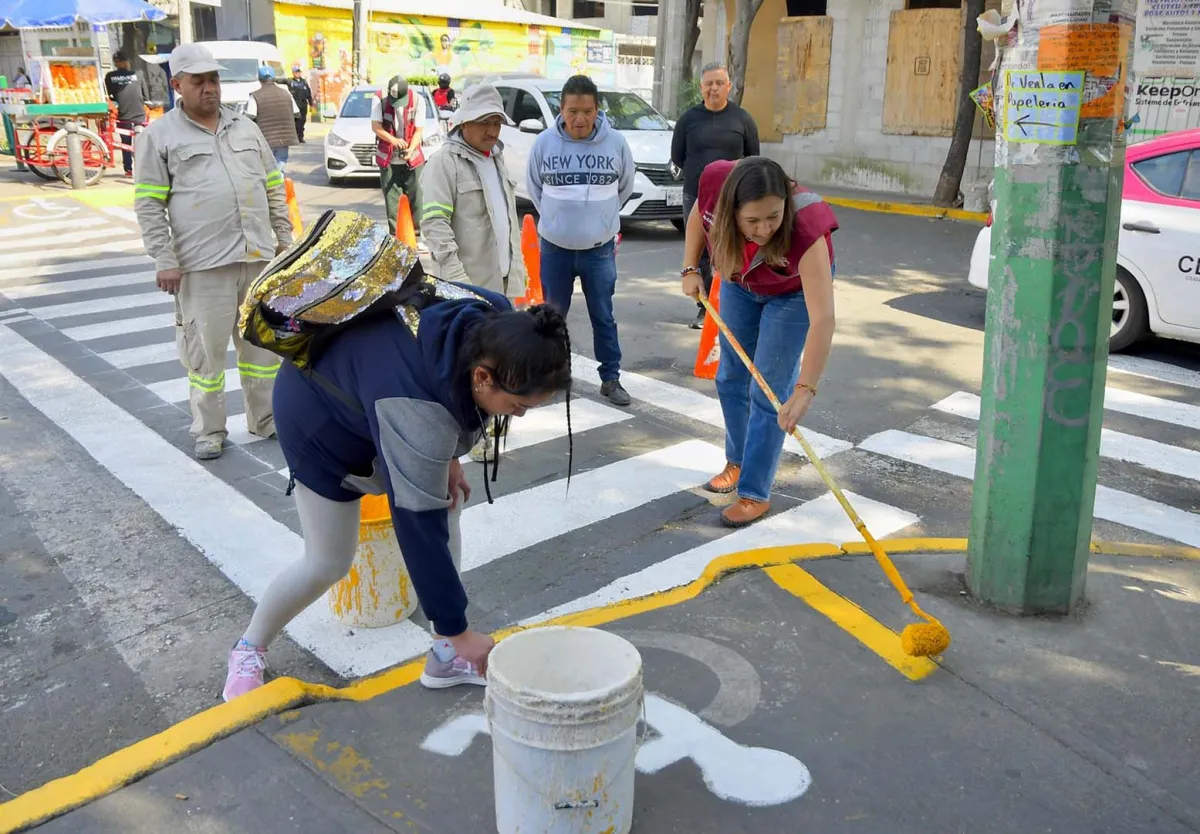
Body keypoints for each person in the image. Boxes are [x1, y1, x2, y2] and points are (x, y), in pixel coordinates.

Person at [221, 272, 574, 702]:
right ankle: (248, 648)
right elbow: (417, 526)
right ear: (483, 376)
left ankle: (444, 655)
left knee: (447, 502)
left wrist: (446, 457)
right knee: (329, 561)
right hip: (319, 418)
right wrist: (460, 630)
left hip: (377, 390)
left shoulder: (496, 318)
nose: (517, 417)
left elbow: (439, 382)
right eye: (517, 405)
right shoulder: (416, 412)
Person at [134, 43, 294, 461]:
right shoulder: (158, 136)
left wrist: (285, 240)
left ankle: (265, 419)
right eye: (199, 80)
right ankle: (209, 430)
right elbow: (149, 203)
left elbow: (273, 186)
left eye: (214, 79)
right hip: (202, 265)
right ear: (177, 85)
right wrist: (164, 258)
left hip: (257, 258)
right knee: (204, 356)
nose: (210, 88)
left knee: (261, 351)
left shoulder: (245, 127)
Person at [681, 157, 837, 527]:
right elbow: (697, 220)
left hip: (791, 293)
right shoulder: (716, 182)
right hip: (741, 281)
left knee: (769, 390)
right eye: (752, 221)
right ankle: (738, 461)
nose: (765, 228)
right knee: (731, 377)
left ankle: (754, 492)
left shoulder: (806, 226)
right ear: (731, 209)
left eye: (773, 216)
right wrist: (690, 268)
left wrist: (805, 390)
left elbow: (824, 320)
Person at [420, 83, 527, 463]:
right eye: (484, 122)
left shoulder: (495, 159)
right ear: (463, 122)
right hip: (466, 286)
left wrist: (519, 274)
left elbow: (507, 223)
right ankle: (473, 433)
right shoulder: (444, 162)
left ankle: (493, 422)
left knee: (497, 359)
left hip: (500, 284)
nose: (492, 131)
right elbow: (434, 224)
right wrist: (456, 280)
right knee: (472, 365)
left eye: (497, 122)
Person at [527, 74, 635, 408]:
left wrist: (599, 222)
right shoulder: (544, 143)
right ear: (561, 109)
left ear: (597, 109)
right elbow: (535, 190)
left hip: (598, 251)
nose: (580, 119)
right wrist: (560, 220)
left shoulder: (616, 143)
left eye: (587, 111)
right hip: (555, 249)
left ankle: (610, 378)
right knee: (552, 316)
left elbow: (624, 188)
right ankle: (552, 375)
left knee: (603, 314)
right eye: (573, 111)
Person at [671, 62, 760, 329]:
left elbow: (753, 157)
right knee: (700, 253)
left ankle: (731, 307)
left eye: (719, 83)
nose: (713, 88)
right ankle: (705, 307)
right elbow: (677, 155)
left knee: (729, 249)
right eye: (708, 83)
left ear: (728, 87)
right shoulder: (688, 119)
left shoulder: (742, 119)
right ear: (701, 87)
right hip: (695, 196)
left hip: (733, 199)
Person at [372, 75, 425, 239]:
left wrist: (410, 149)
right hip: (388, 156)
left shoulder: (417, 100)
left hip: (412, 155)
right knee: (392, 199)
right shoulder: (379, 99)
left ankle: (417, 235)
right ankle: (396, 236)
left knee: (417, 197)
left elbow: (419, 130)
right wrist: (393, 140)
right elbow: (375, 126)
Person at [104, 51, 151, 178]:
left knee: (125, 143)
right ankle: (143, 167)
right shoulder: (139, 75)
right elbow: (146, 96)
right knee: (141, 142)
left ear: (115, 63)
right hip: (139, 115)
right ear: (127, 62)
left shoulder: (109, 77)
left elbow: (110, 96)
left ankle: (128, 169)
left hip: (123, 115)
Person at [246, 65, 299, 172]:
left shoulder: (255, 96)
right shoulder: (286, 94)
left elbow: (250, 117)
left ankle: (271, 185)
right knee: (281, 161)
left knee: (267, 165)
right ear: (274, 79)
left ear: (260, 80)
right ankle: (279, 182)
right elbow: (297, 114)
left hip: (265, 138)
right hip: (284, 137)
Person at [286, 63, 314, 143]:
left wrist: (311, 103)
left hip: (303, 103)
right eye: (296, 72)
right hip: (295, 103)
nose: (297, 73)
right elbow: (281, 80)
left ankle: (301, 136)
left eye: (298, 71)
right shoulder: (290, 81)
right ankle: (296, 136)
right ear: (293, 73)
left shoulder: (304, 82)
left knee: (303, 120)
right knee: (296, 120)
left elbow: (308, 93)